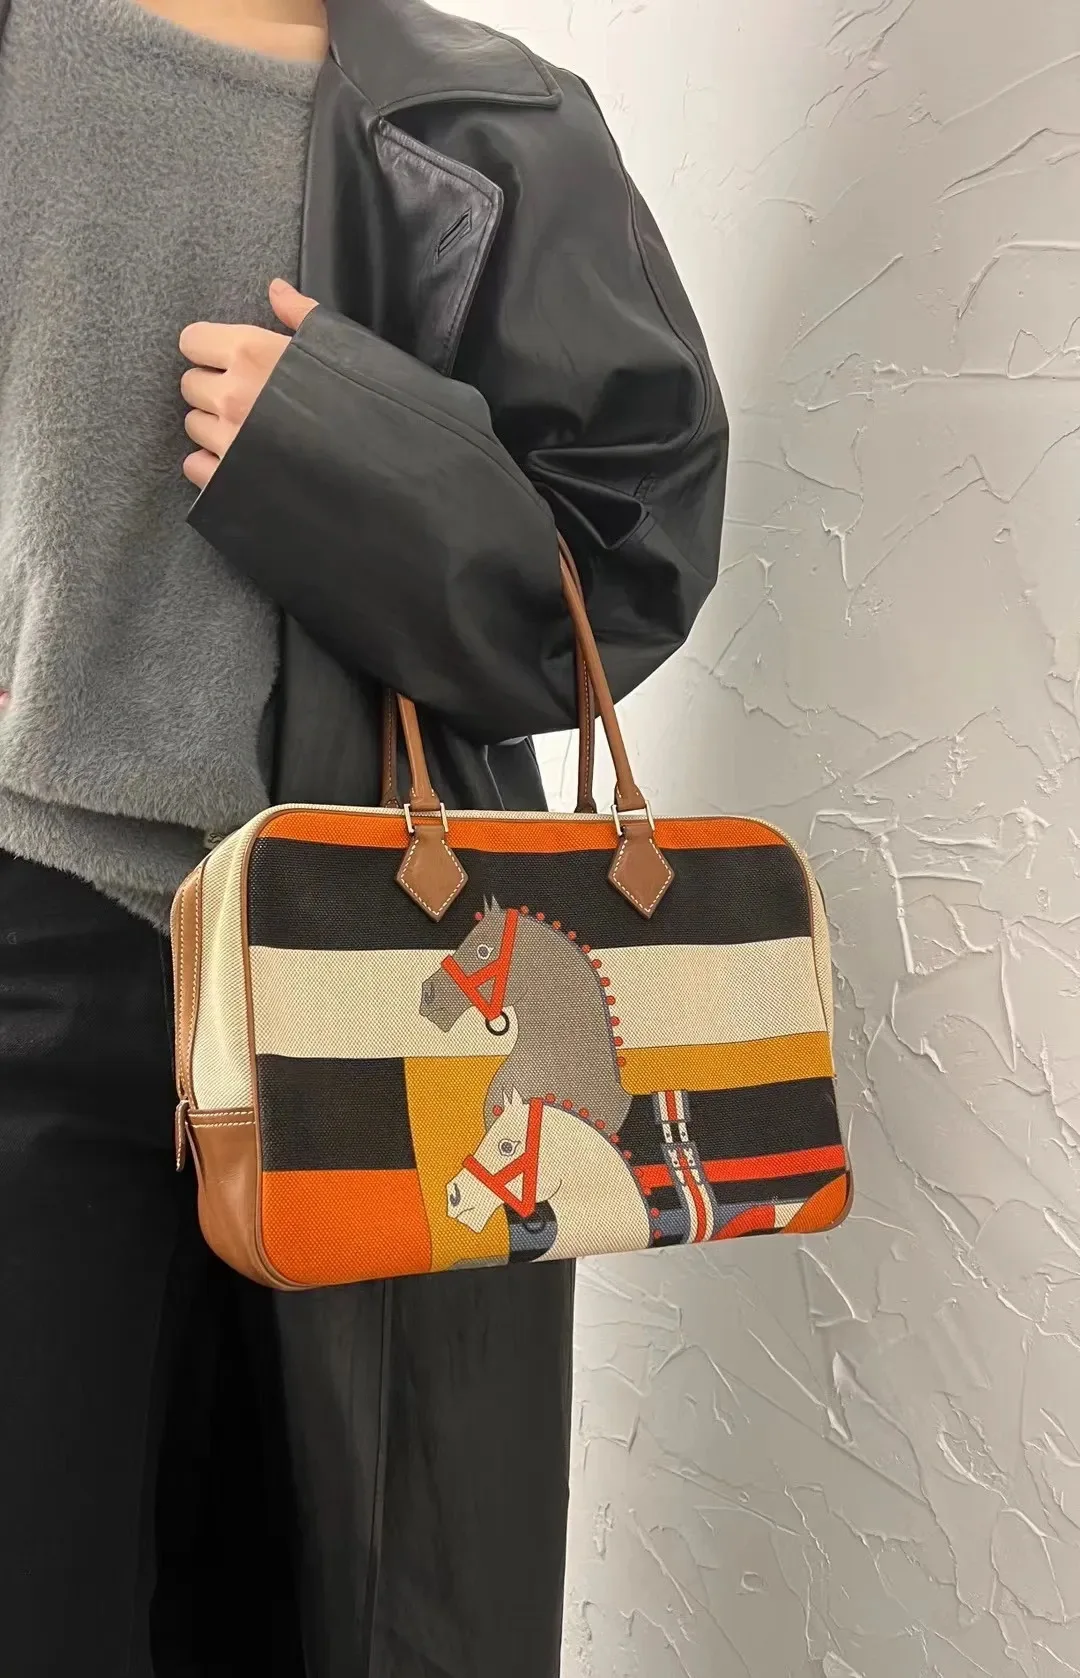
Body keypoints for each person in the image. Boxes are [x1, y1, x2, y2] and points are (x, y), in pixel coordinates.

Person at [0, 0, 728, 1673]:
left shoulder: (495, 123)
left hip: (394, 978)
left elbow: (624, 564)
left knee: (350, 1597)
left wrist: (346, 448)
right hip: (31, 935)